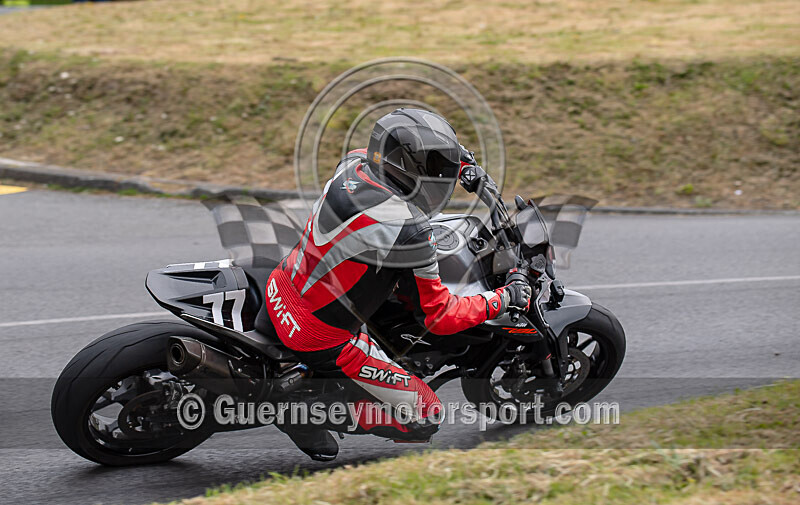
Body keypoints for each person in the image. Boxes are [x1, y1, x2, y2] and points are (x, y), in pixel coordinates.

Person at [266, 108, 532, 460]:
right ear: (414, 171)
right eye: (436, 172)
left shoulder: (354, 165)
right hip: (319, 333)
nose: (442, 182)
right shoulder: (410, 230)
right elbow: (439, 316)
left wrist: (457, 161)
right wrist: (503, 299)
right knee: (427, 415)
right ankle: (300, 413)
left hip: (282, 285)